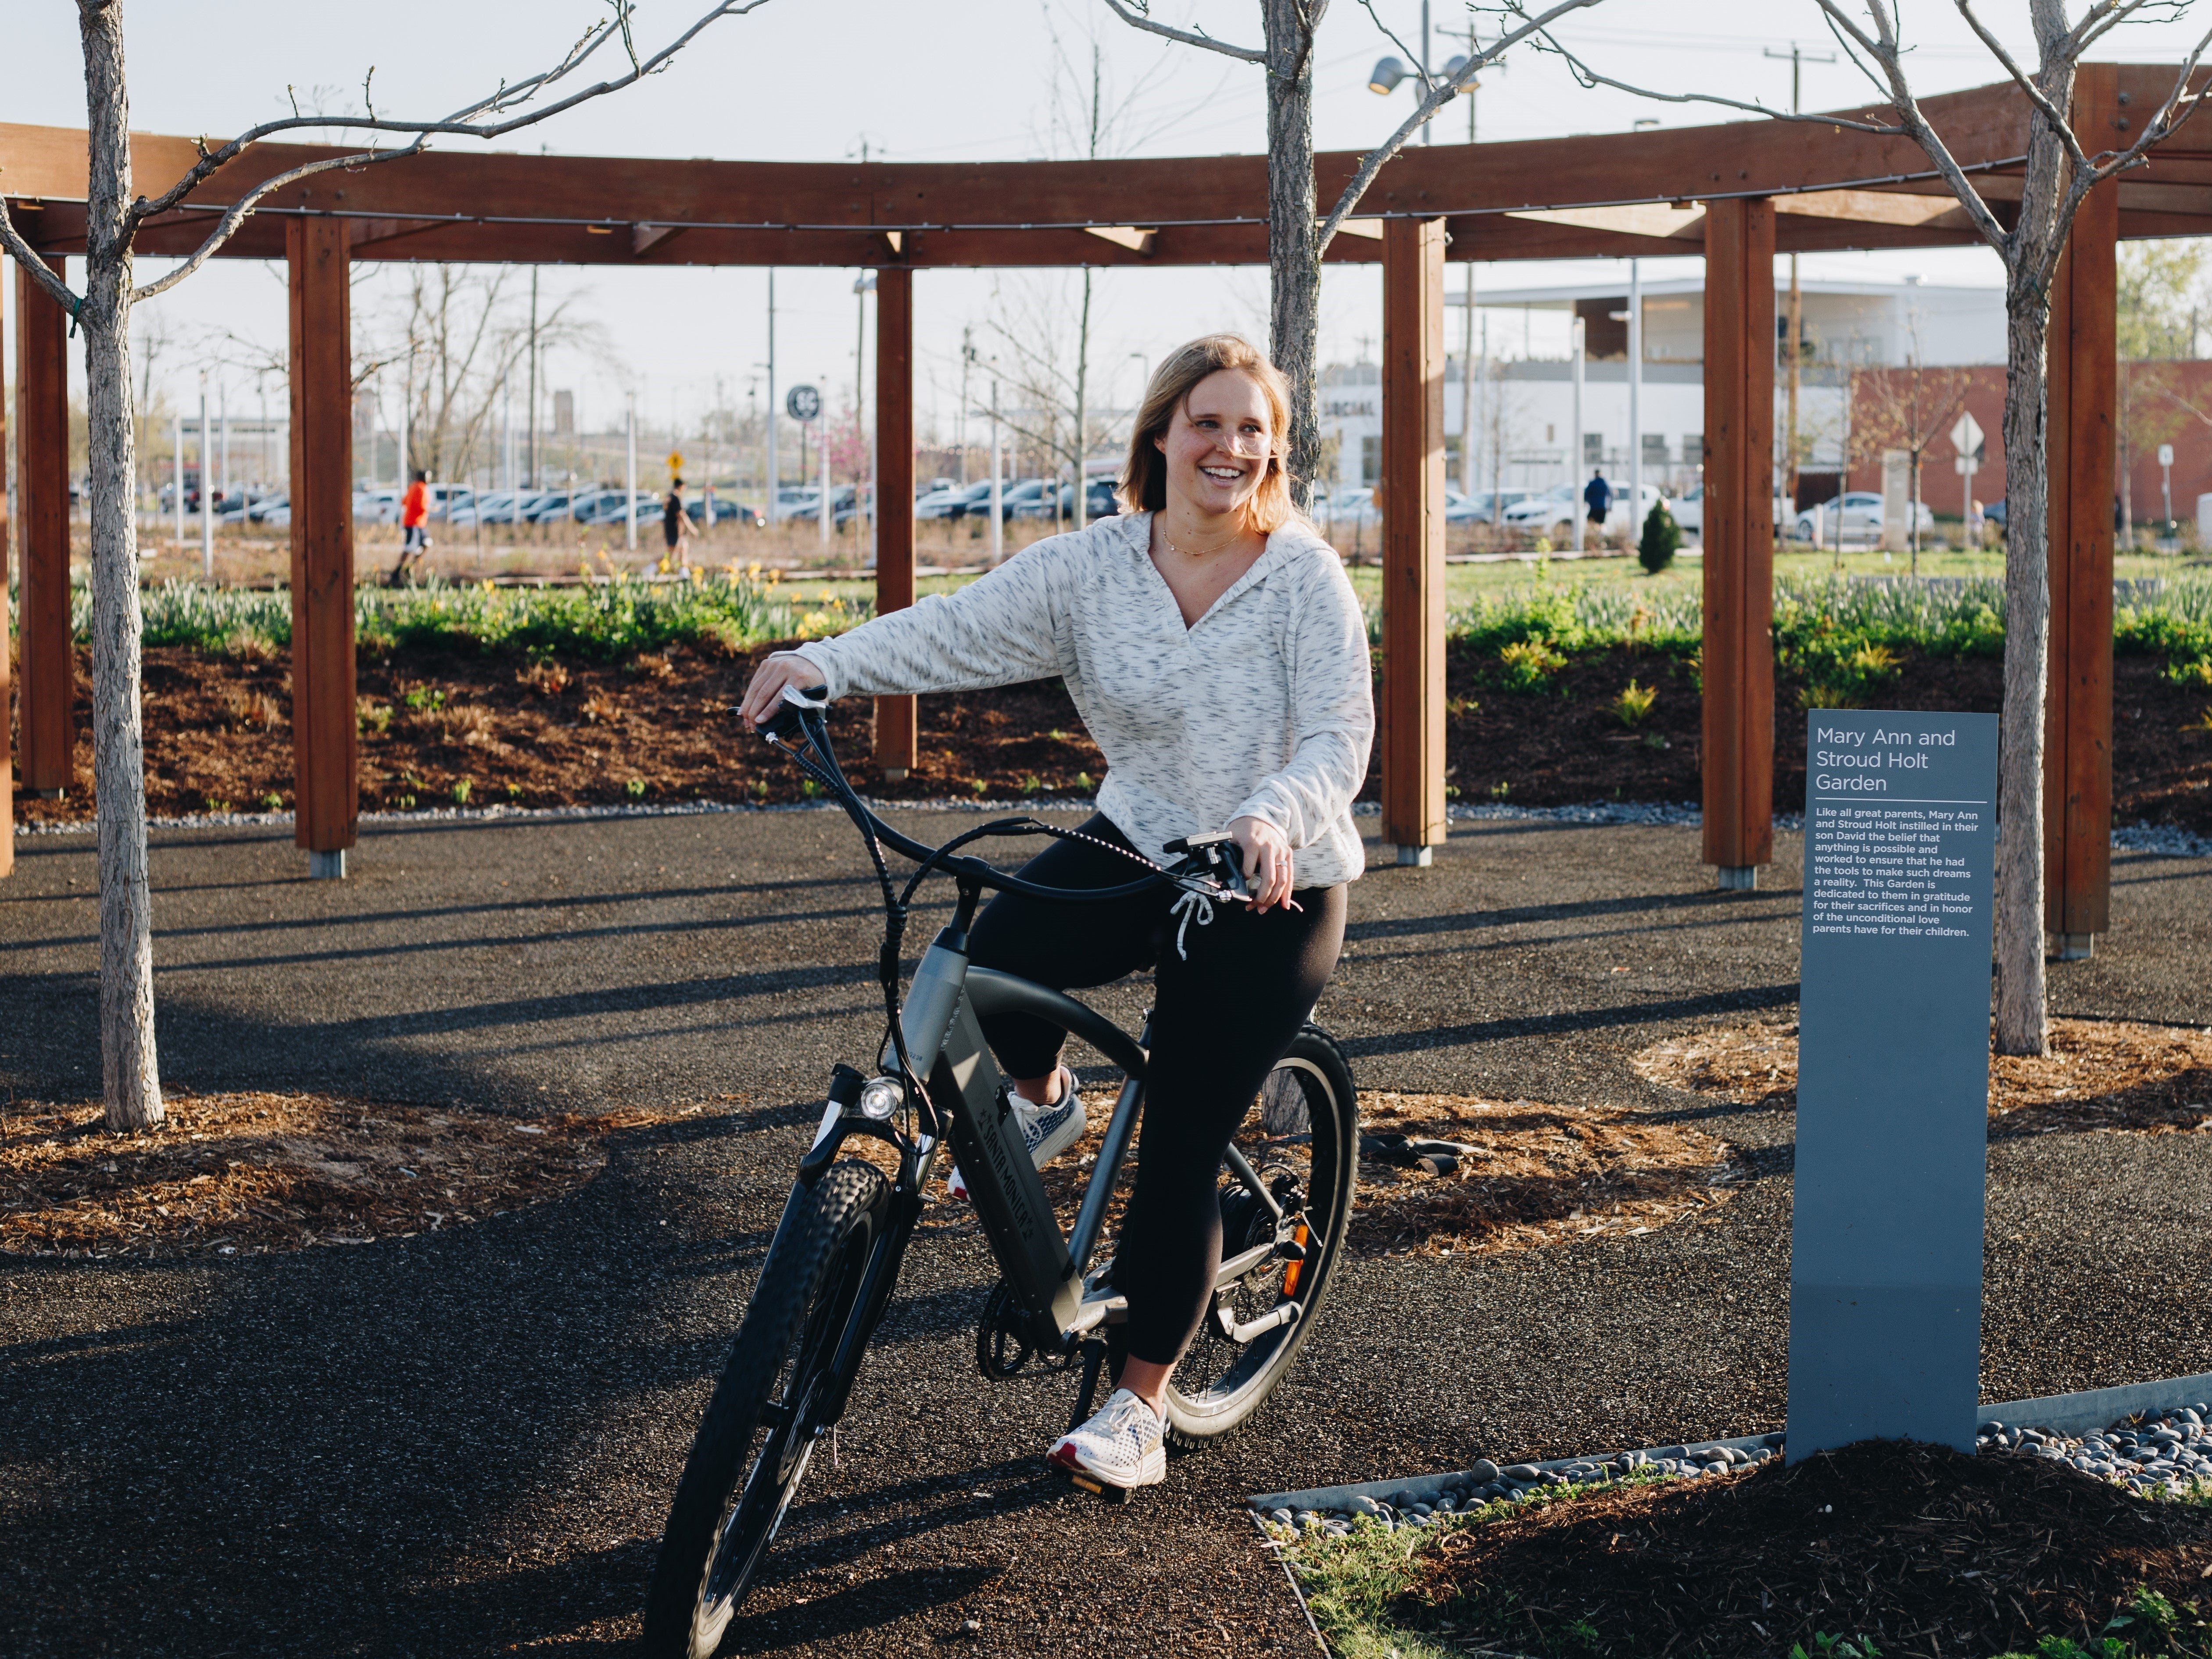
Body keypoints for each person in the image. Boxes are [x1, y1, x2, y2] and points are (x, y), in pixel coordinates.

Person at [739, 334, 1372, 1493]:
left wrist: (1275, 812)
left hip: (1271, 878)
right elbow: (956, 629)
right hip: (1139, 835)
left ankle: (1136, 1411)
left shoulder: (1301, 579)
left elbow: (1339, 732)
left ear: (1272, 452)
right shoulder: (1093, 568)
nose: (1228, 446)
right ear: (1160, 435)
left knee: (1181, 1136)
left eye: (1251, 429)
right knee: (982, 966)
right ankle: (1043, 1104)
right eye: (1206, 422)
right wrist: (821, 663)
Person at [390, 468, 430, 587]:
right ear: (424, 477)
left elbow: (404, 502)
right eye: (428, 476)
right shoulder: (422, 488)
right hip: (414, 523)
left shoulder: (412, 487)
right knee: (409, 548)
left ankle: (410, 568)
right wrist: (430, 509)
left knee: (427, 543)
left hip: (417, 523)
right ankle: (397, 572)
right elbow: (420, 506)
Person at [663, 477, 701, 567]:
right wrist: (693, 529)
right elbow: (682, 515)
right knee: (671, 555)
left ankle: (683, 572)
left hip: (672, 529)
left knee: (684, 548)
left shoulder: (670, 496)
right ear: (681, 486)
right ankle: (652, 568)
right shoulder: (676, 498)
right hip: (674, 530)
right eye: (684, 487)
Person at [1584, 467, 1613, 534]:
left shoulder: (1592, 483)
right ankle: (1602, 536)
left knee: (1591, 521)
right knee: (1601, 523)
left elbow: (1587, 494)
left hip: (1594, 507)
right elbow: (1611, 495)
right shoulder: (1606, 483)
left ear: (1595, 475)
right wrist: (1610, 506)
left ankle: (1594, 535)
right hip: (1603, 507)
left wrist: (1586, 502)